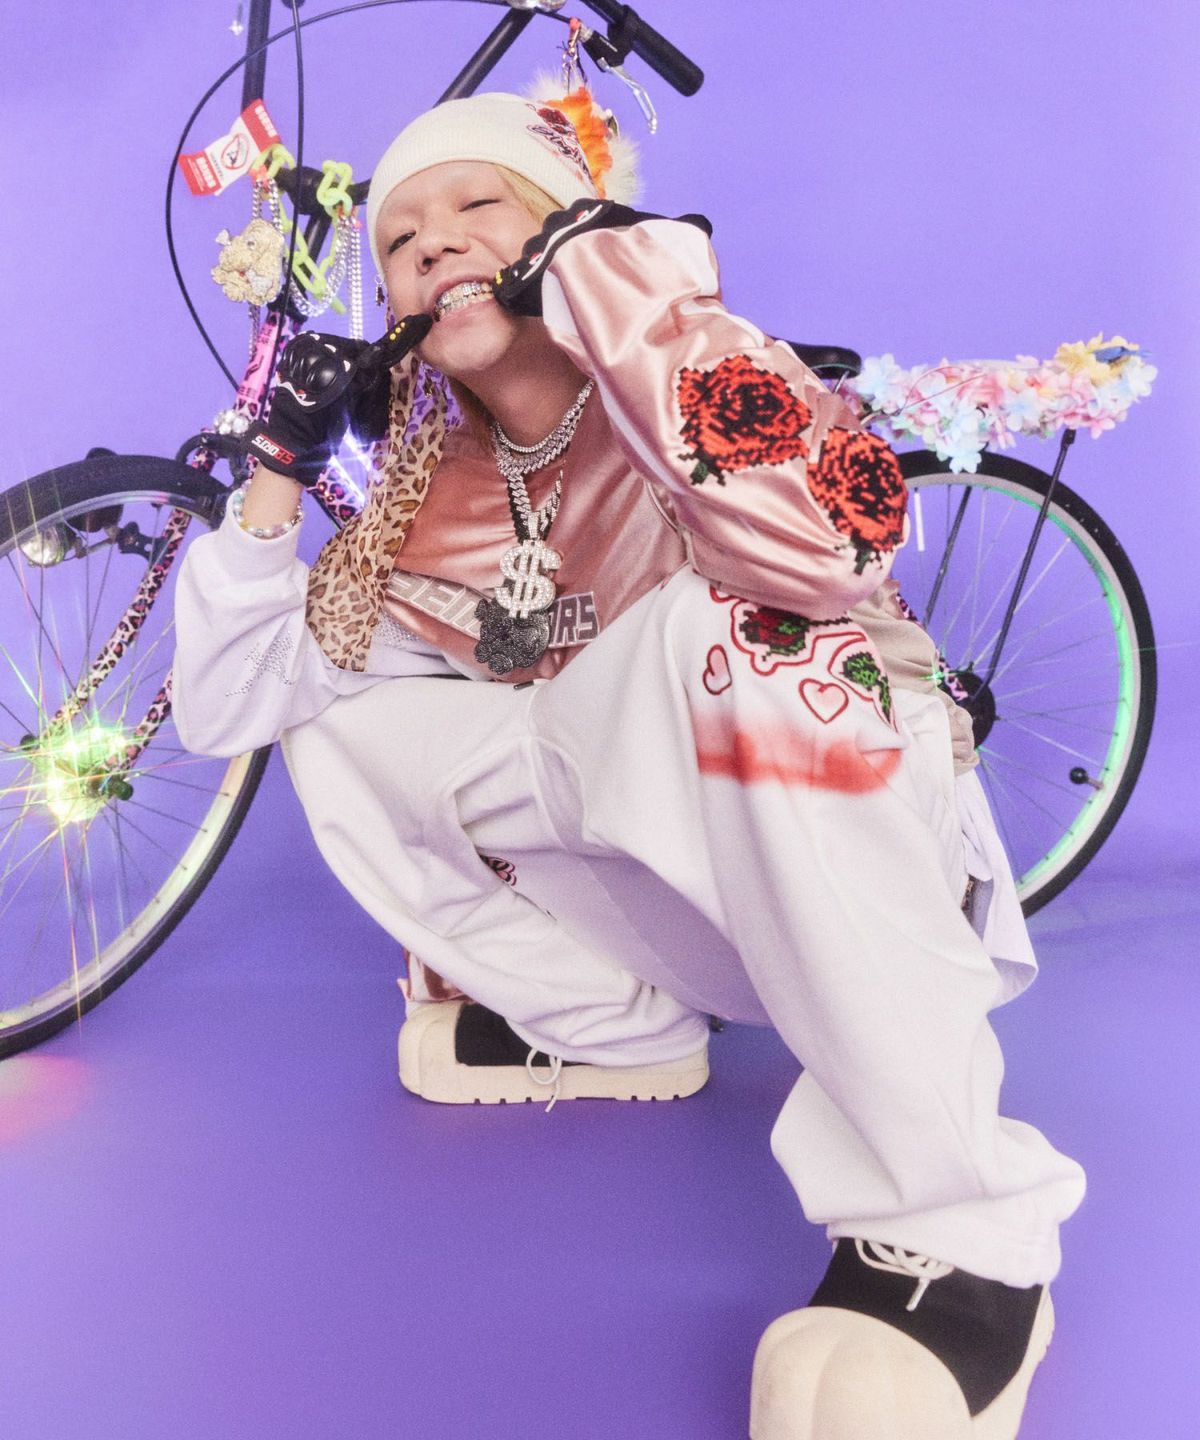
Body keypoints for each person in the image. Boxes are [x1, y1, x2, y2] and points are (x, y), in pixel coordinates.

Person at [173, 85, 1085, 1439]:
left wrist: (615, 280)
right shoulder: (429, 500)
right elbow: (230, 703)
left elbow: (828, 552)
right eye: (400, 242)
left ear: (568, 223)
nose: (431, 243)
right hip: (682, 895)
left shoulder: (695, 365)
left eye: (477, 205)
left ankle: (960, 1236)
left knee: (735, 629)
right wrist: (278, 472)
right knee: (337, 722)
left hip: (856, 855)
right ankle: (614, 1024)